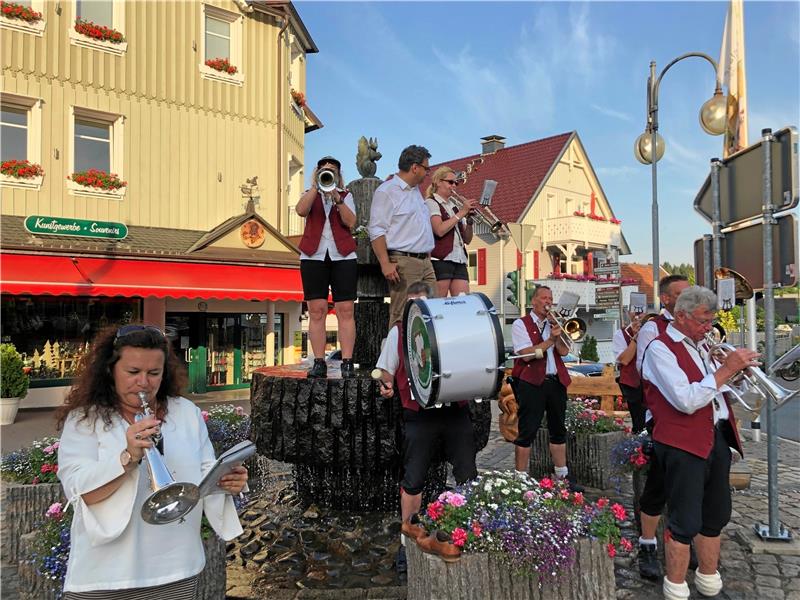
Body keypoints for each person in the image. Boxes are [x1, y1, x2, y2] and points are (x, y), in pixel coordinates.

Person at [55, 324, 248, 599]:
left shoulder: (186, 413)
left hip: (175, 566)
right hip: (103, 574)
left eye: (153, 373)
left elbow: (205, 476)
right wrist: (127, 457)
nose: (144, 382)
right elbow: (81, 492)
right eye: (133, 372)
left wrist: (228, 480)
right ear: (110, 370)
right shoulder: (85, 420)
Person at [641, 286, 756, 600]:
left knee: (715, 516)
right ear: (680, 315)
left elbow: (719, 393)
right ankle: (676, 588)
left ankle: (708, 581)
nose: (710, 327)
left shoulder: (704, 346)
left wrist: (738, 377)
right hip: (680, 442)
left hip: (715, 436)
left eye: (712, 320)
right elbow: (687, 400)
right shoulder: (659, 348)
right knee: (684, 520)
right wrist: (727, 369)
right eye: (704, 320)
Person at [375, 281, 478, 567]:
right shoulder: (397, 332)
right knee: (413, 479)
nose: (414, 308)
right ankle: (407, 545)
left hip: (454, 410)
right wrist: (386, 384)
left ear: (432, 305)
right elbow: (386, 370)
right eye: (410, 303)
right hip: (418, 413)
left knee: (467, 473)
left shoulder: (450, 327)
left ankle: (468, 533)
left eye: (419, 302)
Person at [633, 274, 689, 579]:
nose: (687, 299)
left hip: (694, 417)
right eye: (681, 294)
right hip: (664, 417)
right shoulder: (653, 328)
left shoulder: (694, 328)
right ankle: (648, 545)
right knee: (657, 486)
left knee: (689, 487)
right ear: (666, 299)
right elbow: (644, 368)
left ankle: (682, 539)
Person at [509, 285, 581, 492]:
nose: (548, 302)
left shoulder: (554, 323)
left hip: (555, 381)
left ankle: (562, 475)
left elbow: (564, 350)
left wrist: (557, 334)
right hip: (531, 383)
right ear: (534, 301)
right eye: (544, 298)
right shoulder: (520, 324)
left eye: (550, 298)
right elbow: (526, 354)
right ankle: (521, 478)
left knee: (558, 430)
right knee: (527, 430)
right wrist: (549, 338)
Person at [296, 156, 358, 378]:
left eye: (332, 171)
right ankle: (319, 361)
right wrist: (317, 186)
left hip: (343, 256)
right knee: (316, 310)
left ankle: (348, 361)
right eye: (324, 170)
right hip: (313, 256)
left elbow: (351, 222)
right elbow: (301, 210)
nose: (328, 173)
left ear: (339, 175)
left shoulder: (346, 196)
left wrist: (337, 198)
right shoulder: (309, 195)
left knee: (346, 310)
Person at [368, 145, 437, 329]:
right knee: (402, 315)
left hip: (425, 262)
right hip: (404, 262)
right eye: (426, 168)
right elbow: (376, 229)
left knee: (433, 312)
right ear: (415, 167)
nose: (427, 173)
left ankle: (423, 357)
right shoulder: (387, 191)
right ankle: (397, 357)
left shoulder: (415, 191)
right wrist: (385, 263)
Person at [424, 166, 477, 297]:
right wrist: (462, 212)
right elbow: (439, 230)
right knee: (438, 303)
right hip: (440, 259)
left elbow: (467, 240)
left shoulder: (453, 207)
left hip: (459, 260)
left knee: (463, 303)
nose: (454, 185)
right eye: (450, 182)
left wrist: (469, 221)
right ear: (438, 182)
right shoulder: (431, 202)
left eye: (456, 183)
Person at [612, 312, 646, 434]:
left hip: (650, 381)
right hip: (632, 383)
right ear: (628, 313)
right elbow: (625, 360)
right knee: (639, 424)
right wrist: (636, 338)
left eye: (642, 310)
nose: (638, 313)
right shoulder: (620, 334)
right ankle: (639, 450)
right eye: (634, 310)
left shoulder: (652, 330)